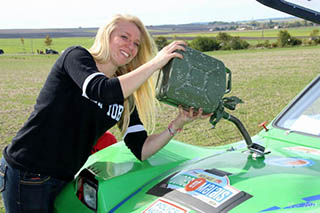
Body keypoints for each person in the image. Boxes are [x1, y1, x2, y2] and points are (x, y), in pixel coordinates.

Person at [0, 14, 211, 212]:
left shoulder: (124, 96)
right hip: (28, 172)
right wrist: (156, 63)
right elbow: (101, 90)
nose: (131, 46)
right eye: (124, 37)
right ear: (106, 36)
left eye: (136, 43)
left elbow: (142, 149)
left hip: (63, 178)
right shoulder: (76, 57)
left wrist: (178, 123)